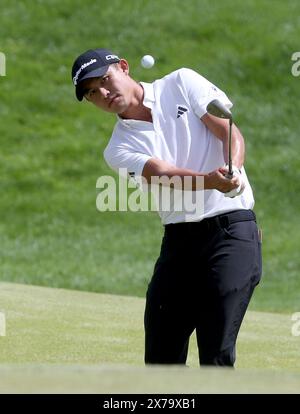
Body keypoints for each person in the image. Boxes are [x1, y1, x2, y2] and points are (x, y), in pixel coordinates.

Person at [71, 48, 262, 367]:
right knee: (161, 357)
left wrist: (233, 168)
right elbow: (162, 174)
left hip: (232, 233)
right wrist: (212, 181)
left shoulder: (181, 82)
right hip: (179, 244)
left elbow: (228, 129)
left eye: (105, 80)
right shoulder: (118, 148)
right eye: (92, 93)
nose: (103, 93)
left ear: (123, 68)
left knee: (215, 354)